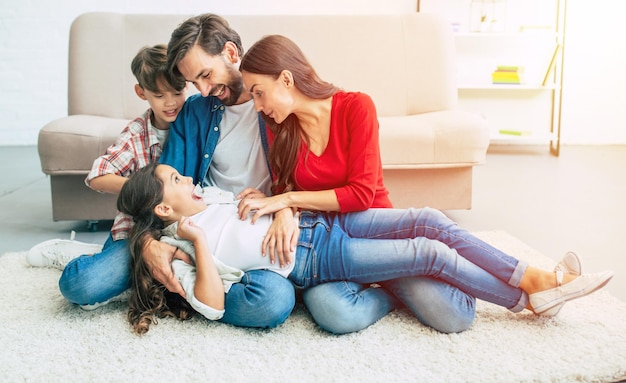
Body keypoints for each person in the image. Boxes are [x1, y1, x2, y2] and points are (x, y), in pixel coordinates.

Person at [235, 34, 602, 332]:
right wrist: (283, 204)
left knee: (455, 315)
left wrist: (289, 200)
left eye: (258, 92)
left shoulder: (354, 106)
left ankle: (532, 282)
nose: (256, 104)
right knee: (332, 310)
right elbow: (284, 191)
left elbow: (361, 194)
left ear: (285, 79)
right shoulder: (277, 127)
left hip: (372, 225)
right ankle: (518, 289)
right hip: (329, 238)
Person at [160, 13, 480, 335]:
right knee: (321, 308)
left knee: (452, 313)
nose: (201, 89)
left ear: (231, 54)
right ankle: (385, 280)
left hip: (312, 229)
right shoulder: (197, 112)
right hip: (258, 239)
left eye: (205, 75)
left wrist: (285, 205)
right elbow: (169, 188)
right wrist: (153, 243)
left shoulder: (280, 108)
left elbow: (311, 177)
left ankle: (397, 265)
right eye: (193, 83)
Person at [117, 162, 614, 335]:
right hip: (316, 260)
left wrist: (281, 207)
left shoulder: (216, 196)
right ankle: (530, 294)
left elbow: (262, 199)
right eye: (176, 181)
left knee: (427, 220)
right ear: (163, 211)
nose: (187, 179)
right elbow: (210, 304)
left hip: (322, 222)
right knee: (428, 253)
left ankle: (534, 280)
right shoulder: (177, 249)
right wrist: (199, 242)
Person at [27, 44, 188, 310]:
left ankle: (105, 260)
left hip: (179, 232)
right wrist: (145, 189)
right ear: (141, 93)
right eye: (159, 95)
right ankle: (78, 255)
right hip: (138, 232)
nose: (170, 102)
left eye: (177, 92)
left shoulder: (194, 123)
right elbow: (97, 176)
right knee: (84, 287)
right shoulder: (137, 133)